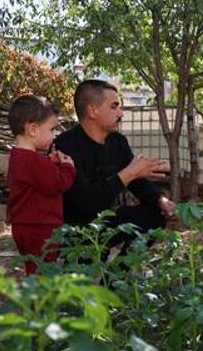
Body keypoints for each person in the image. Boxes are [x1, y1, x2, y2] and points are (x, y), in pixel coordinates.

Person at [54, 79, 175, 256]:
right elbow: (83, 204)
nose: (121, 113)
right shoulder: (65, 145)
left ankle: (118, 276)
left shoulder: (117, 142)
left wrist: (161, 200)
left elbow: (137, 183)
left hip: (106, 223)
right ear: (93, 111)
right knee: (83, 277)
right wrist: (128, 174)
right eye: (114, 106)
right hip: (75, 232)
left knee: (155, 214)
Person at [7, 95, 76, 274]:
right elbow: (58, 184)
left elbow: (39, 181)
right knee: (42, 274)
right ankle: (39, 302)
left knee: (34, 269)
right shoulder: (34, 161)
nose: (55, 134)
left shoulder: (17, 157)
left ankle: (36, 300)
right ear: (33, 129)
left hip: (23, 226)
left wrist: (50, 164)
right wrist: (68, 167)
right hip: (41, 228)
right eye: (52, 129)